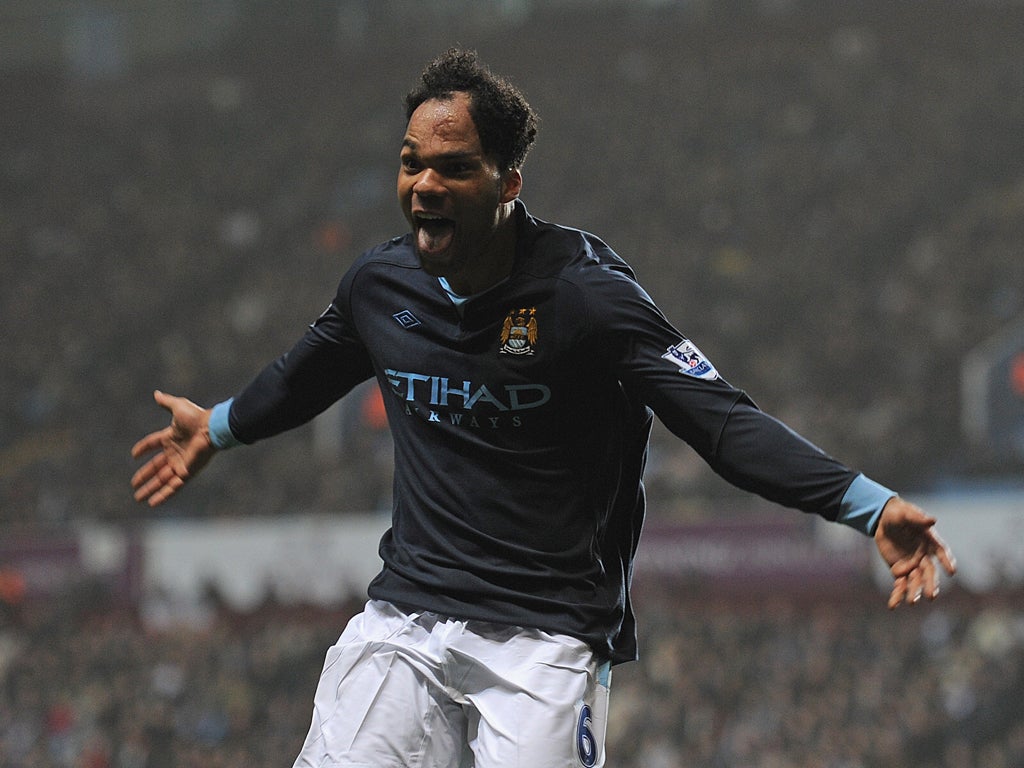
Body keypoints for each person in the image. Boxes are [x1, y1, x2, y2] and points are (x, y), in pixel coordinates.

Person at [131, 48, 957, 768]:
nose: (424, 184)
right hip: (407, 615)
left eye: (453, 167)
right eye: (411, 162)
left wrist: (865, 503)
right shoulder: (380, 287)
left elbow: (720, 421)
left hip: (546, 637)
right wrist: (223, 426)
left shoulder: (588, 297)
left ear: (508, 182)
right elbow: (305, 376)